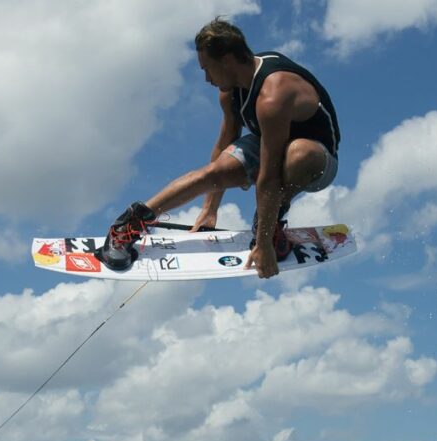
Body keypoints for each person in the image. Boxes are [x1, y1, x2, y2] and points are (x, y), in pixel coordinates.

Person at [101, 19, 340, 279]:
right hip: (268, 143)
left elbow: (269, 178)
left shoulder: (273, 95)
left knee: (298, 155)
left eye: (207, 69)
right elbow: (225, 143)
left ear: (227, 61)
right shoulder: (230, 91)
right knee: (215, 172)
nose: (206, 78)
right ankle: (130, 223)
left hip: (317, 160)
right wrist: (210, 208)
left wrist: (263, 243)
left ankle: (271, 228)